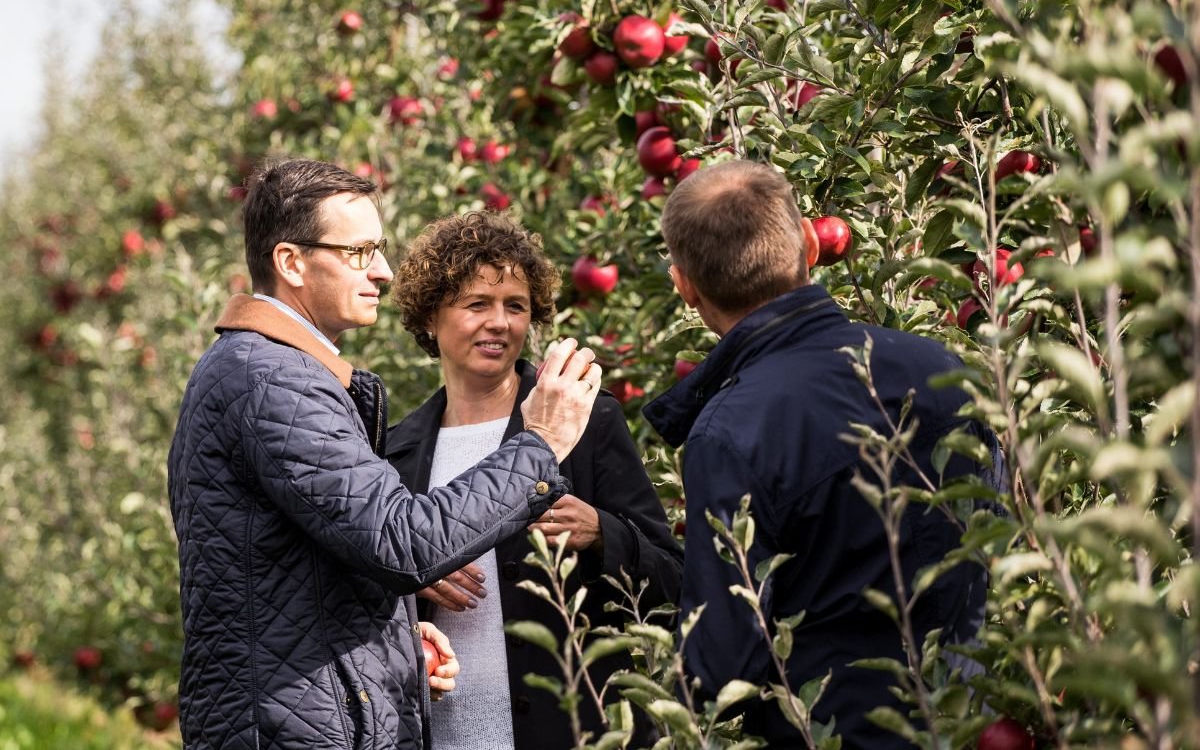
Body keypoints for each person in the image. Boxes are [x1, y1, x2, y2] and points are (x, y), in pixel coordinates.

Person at [167, 159, 602, 750]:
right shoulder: (272, 380)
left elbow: (304, 575)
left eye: (380, 249)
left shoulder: (272, 372)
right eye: (358, 252)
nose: (383, 271)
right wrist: (542, 443)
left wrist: (393, 646)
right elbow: (402, 543)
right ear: (291, 261)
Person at [641, 160, 991, 748]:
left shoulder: (728, 432)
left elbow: (722, 653)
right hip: (971, 717)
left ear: (684, 287)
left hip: (829, 732)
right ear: (809, 242)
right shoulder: (942, 368)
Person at [384, 210, 683, 749]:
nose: (499, 322)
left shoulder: (585, 421)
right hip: (444, 731)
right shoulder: (396, 450)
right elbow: (359, 598)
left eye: (515, 306)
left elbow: (675, 580)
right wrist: (407, 578)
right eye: (477, 303)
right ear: (430, 317)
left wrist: (603, 532)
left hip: (570, 729)